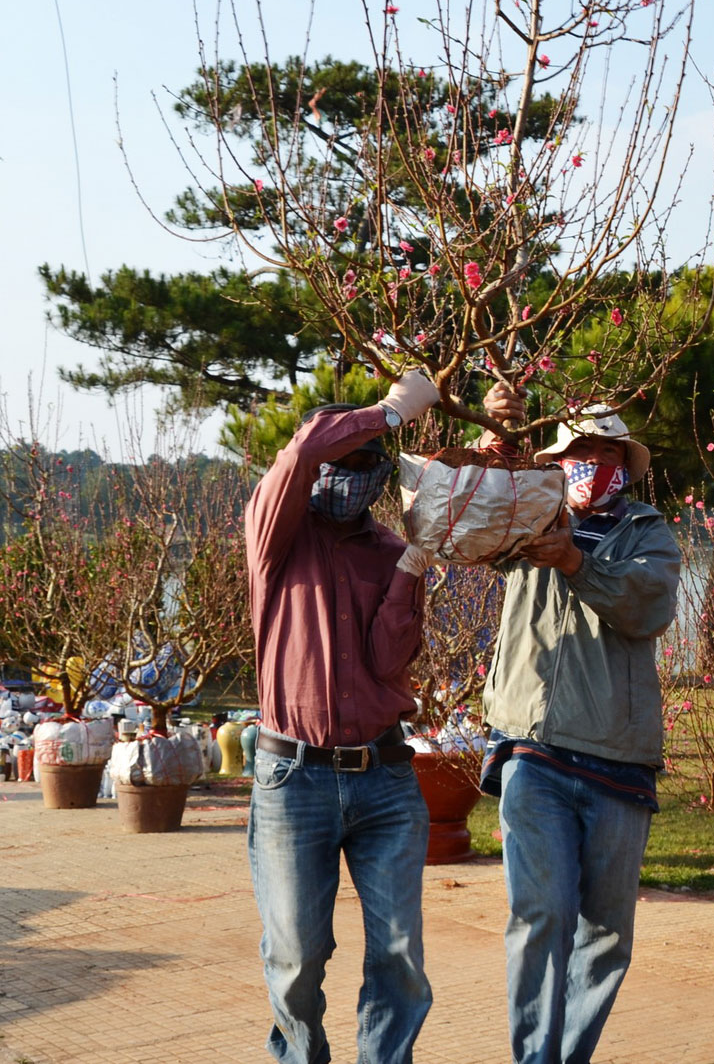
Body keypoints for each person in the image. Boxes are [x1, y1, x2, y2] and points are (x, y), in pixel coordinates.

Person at [478, 386, 682, 1064]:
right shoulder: (524, 514)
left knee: (606, 936)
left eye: (599, 449)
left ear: (623, 460)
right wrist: (495, 439)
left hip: (620, 758)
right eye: (573, 450)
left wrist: (575, 562)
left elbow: (647, 607)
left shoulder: (648, 532)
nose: (586, 461)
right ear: (554, 461)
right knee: (541, 917)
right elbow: (460, 518)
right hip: (533, 752)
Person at [244, 370, 441, 1064]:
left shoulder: (388, 551)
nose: (352, 477)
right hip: (292, 776)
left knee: (398, 956)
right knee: (297, 954)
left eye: (367, 469)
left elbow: (390, 662)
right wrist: (386, 413)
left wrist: (415, 566)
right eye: (343, 461)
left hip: (385, 777)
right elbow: (298, 457)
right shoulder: (276, 537)